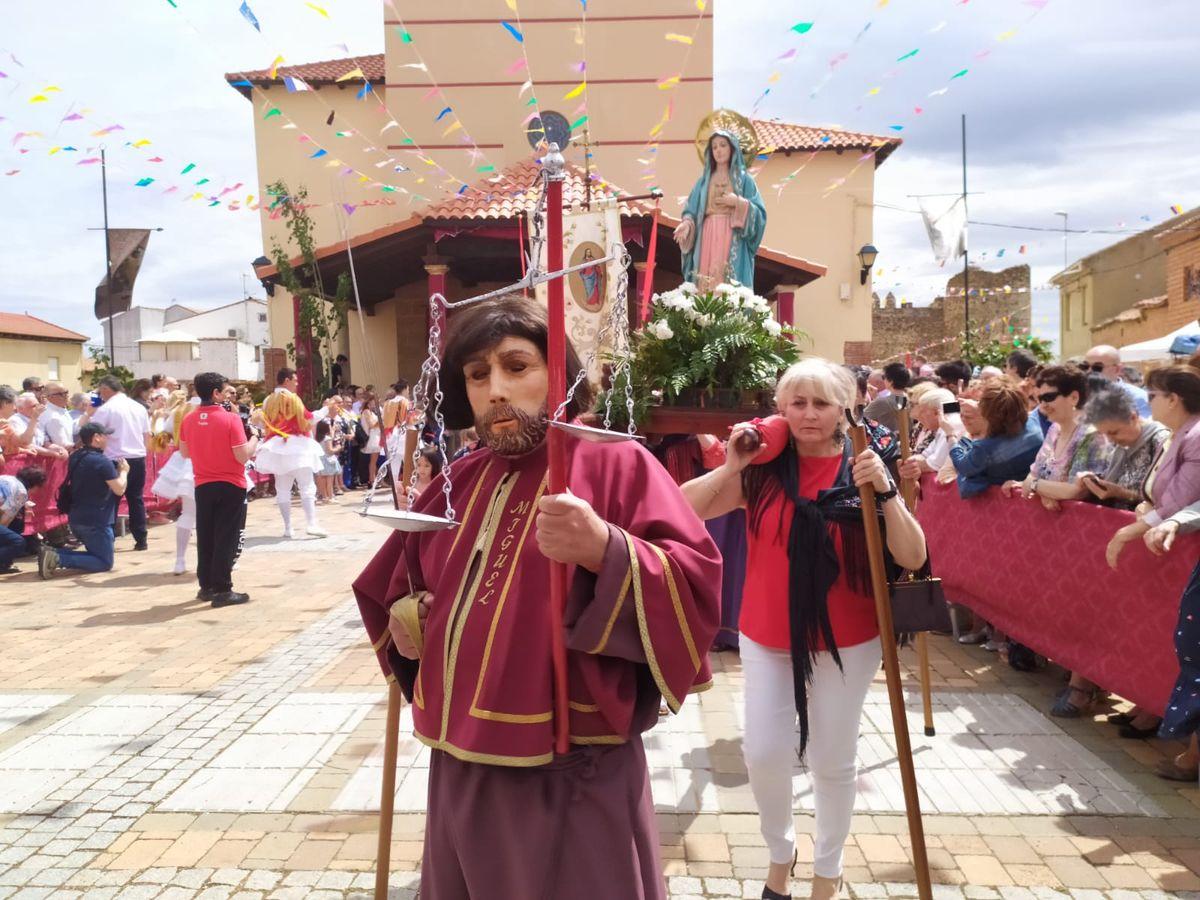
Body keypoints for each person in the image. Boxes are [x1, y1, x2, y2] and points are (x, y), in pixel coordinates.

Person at [353, 296, 720, 900]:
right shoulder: (455, 480)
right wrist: (409, 616)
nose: (496, 389)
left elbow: (696, 581)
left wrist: (606, 548)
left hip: (571, 766)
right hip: (459, 758)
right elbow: (398, 582)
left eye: (517, 367)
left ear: (559, 374)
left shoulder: (616, 463)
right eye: (477, 375)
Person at [680, 358, 927, 900]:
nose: (809, 414)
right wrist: (730, 468)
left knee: (831, 760)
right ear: (781, 408)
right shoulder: (763, 470)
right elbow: (681, 510)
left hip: (850, 637)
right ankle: (780, 853)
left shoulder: (867, 466)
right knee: (764, 753)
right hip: (767, 635)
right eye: (797, 403)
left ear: (845, 407)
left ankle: (827, 870)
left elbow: (912, 555)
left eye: (821, 402)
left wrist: (885, 493)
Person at [1104, 363, 1200, 780]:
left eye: (1153, 394)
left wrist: (1133, 528)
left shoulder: (1195, 436)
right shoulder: (1182, 435)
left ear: (1173, 398)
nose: (1148, 401)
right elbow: (1160, 495)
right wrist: (1147, 511)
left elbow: (1181, 499)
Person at [179, 371, 260, 607]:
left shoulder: (188, 419)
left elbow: (185, 452)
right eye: (223, 391)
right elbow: (242, 455)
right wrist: (254, 438)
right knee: (227, 536)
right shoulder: (230, 419)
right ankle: (223, 588)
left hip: (203, 483)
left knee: (206, 535)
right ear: (215, 393)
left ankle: (206, 586)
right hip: (230, 483)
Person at [1002, 365, 1111, 513]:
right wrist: (1043, 492)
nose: (1043, 405)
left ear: (1074, 397)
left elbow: (1077, 491)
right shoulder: (1055, 429)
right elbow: (1033, 474)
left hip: (1081, 524)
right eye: (1039, 399)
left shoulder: (1093, 435)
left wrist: (1035, 486)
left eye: (1049, 397)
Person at [673, 130, 767, 292]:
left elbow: (759, 215)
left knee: (727, 281)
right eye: (714, 147)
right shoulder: (703, 182)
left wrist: (737, 202)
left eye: (723, 145)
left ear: (732, 149)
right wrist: (687, 224)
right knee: (705, 279)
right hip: (707, 235)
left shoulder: (744, 180)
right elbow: (692, 211)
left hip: (732, 235)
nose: (719, 150)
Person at [38, 423, 127, 578]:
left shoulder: (76, 456)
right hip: (96, 520)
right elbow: (119, 488)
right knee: (103, 562)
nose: (108, 438)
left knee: (97, 554)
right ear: (97, 438)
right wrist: (124, 472)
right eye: (105, 435)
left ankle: (53, 552)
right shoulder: (101, 461)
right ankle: (59, 558)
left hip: (77, 517)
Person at [255, 368, 326, 538]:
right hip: (297, 446)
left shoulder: (267, 401)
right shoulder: (293, 399)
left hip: (277, 448)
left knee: (282, 488)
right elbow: (308, 418)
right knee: (307, 486)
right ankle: (312, 524)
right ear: (286, 380)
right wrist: (325, 410)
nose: (297, 383)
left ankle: (288, 527)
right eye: (294, 380)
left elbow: (263, 424)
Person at [947, 379, 1045, 499]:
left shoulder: (985, 448)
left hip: (1001, 504)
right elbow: (1006, 407)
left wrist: (950, 436)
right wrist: (981, 406)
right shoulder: (1034, 423)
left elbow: (963, 466)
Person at [1078, 387, 1169, 510]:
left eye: (1114, 432)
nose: (1109, 439)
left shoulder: (1161, 442)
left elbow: (1168, 500)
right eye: (1104, 434)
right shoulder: (1121, 445)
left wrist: (1122, 493)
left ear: (1133, 417)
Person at [89, 375, 152, 551]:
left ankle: (108, 539)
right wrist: (143, 453)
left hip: (114, 458)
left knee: (110, 501)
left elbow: (94, 433)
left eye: (101, 391)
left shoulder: (106, 409)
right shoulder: (138, 407)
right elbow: (146, 434)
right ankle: (141, 539)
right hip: (137, 456)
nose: (100, 395)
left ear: (107, 390)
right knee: (136, 499)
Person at [151, 393, 200, 575]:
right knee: (212, 516)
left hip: (183, 460)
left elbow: (164, 433)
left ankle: (180, 560)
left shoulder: (180, 410)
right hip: (205, 460)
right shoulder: (213, 409)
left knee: (188, 513)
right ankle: (213, 560)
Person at [897, 387, 958, 481]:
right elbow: (925, 455)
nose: (919, 416)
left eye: (922, 411)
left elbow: (934, 464)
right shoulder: (942, 426)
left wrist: (908, 465)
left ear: (936, 412)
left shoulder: (952, 423)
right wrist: (910, 463)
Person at [0, 467, 47, 574]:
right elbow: (5, 518)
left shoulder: (6, 478)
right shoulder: (21, 492)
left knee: (14, 529)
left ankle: (3, 565)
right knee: (18, 542)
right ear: (35, 485)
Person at [1085, 344, 1151, 417]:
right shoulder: (1078, 395)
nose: (1089, 371)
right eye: (1085, 366)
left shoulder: (1138, 398)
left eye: (1097, 367)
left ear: (1118, 369)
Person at [863, 362, 912, 432]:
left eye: (884, 377)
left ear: (891, 381)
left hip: (890, 441)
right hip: (907, 440)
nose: (883, 380)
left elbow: (860, 421)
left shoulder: (882, 402)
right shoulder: (910, 399)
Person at [40, 383, 76, 451]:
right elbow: (62, 445)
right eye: (60, 394)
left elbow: (72, 428)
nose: (66, 396)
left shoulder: (61, 408)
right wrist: (81, 445)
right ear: (49, 396)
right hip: (63, 456)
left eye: (66, 392)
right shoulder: (52, 417)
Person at [360, 392, 383, 485]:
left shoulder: (372, 411)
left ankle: (375, 479)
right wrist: (381, 420)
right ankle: (372, 480)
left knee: (375, 460)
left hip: (376, 435)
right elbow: (371, 425)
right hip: (372, 437)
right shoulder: (366, 411)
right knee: (373, 461)